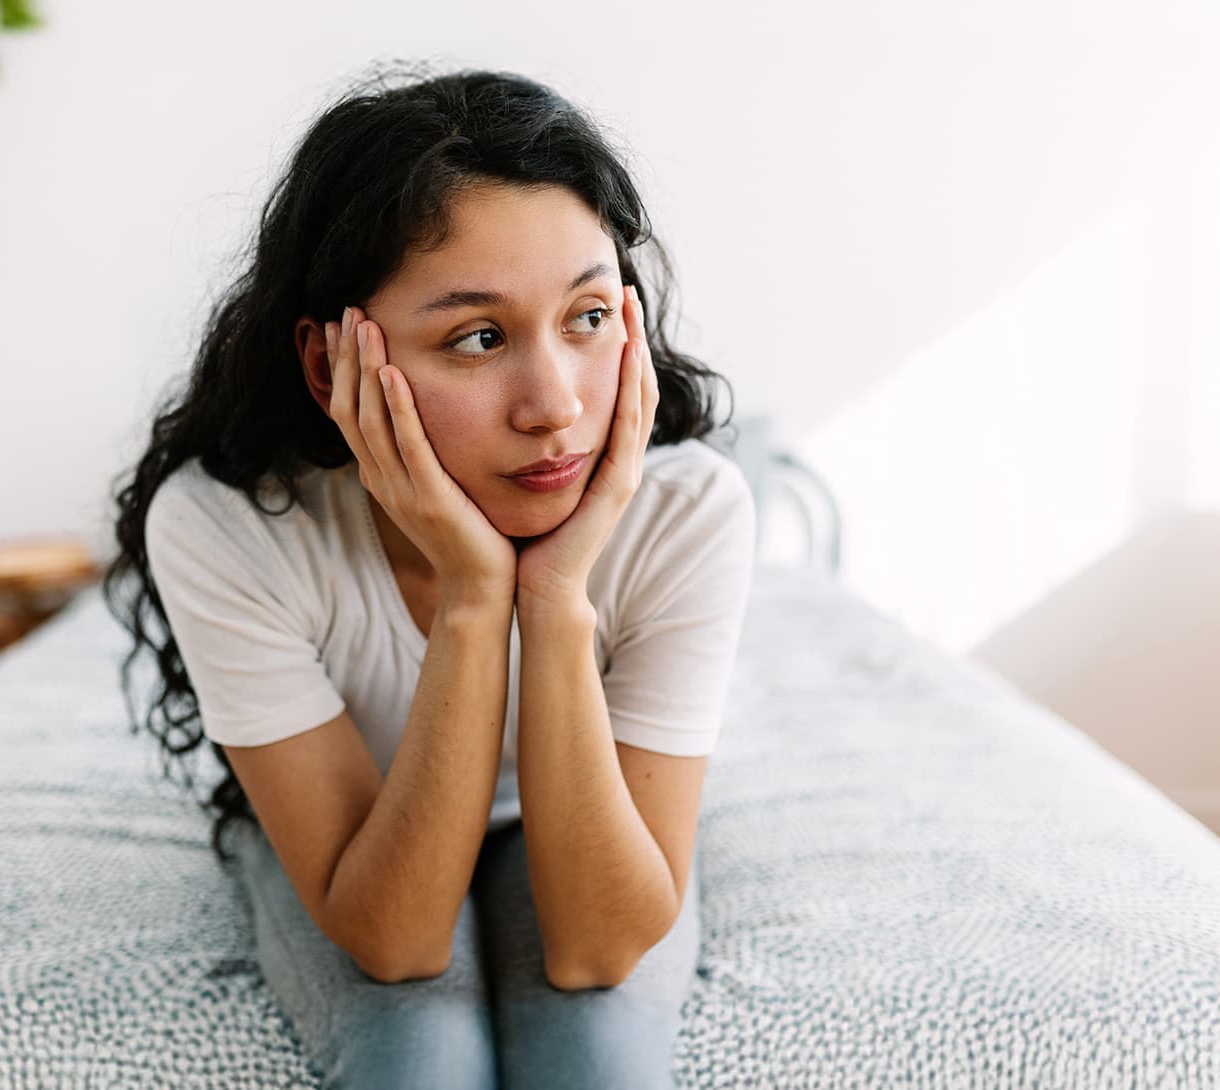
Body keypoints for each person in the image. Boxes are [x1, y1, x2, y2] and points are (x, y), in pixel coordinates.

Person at [102, 66, 755, 1090]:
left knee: (599, 1062)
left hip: (583, 814)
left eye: (587, 318)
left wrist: (553, 596)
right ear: (331, 368)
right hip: (369, 835)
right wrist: (471, 597)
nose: (555, 408)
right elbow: (397, 939)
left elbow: (596, 949)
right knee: (418, 1060)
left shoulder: (689, 512)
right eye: (478, 338)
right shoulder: (229, 526)